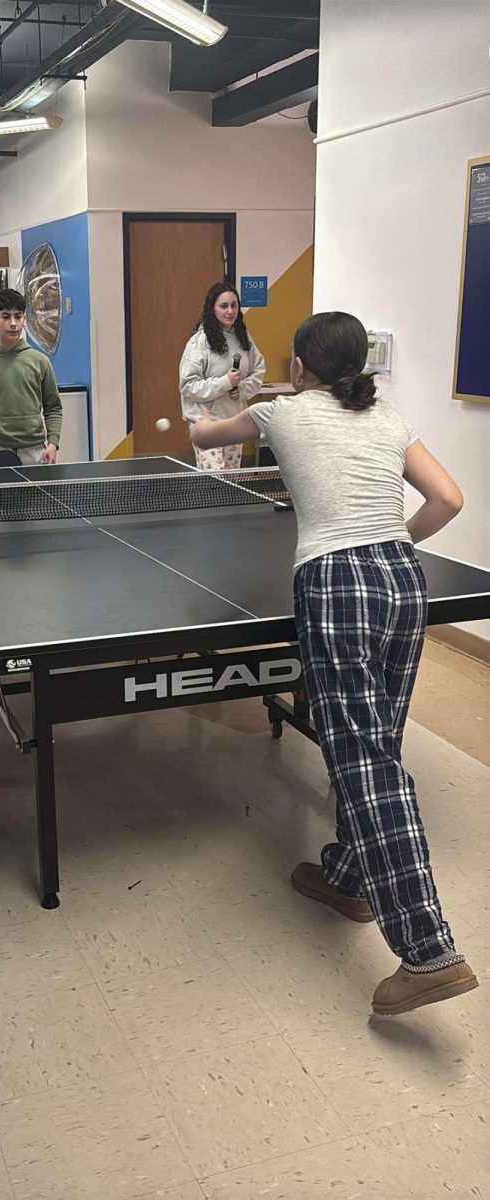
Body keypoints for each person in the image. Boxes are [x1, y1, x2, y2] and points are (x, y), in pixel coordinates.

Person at [189, 310, 477, 1016]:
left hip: (336, 584)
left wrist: (214, 405)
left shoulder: (282, 414)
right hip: (401, 581)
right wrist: (393, 544)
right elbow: (448, 500)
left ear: (301, 368)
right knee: (373, 740)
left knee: (364, 759)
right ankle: (348, 875)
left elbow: (202, 433)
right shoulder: (388, 415)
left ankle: (427, 950)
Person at [0, 287, 62, 467]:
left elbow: (53, 407)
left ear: (24, 318)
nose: (13, 323)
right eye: (6, 317)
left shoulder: (40, 362)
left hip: (35, 451)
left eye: (18, 316)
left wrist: (53, 443)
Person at [180, 282, 265, 470]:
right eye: (224, 306)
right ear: (213, 309)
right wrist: (225, 382)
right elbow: (188, 386)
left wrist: (242, 389)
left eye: (234, 305)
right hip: (206, 425)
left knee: (230, 483)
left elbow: (258, 372)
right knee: (214, 482)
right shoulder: (199, 342)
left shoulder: (244, 338)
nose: (230, 311)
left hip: (234, 423)